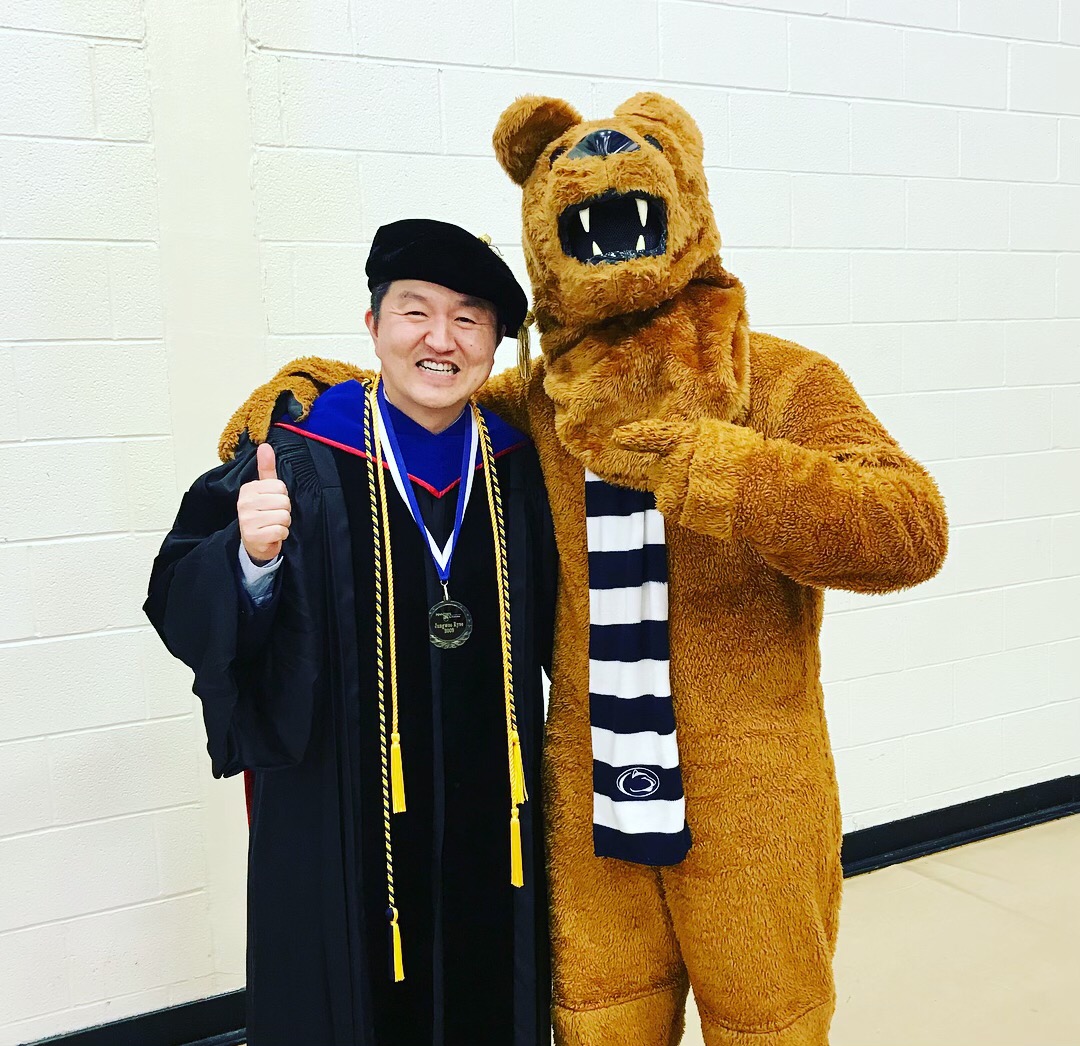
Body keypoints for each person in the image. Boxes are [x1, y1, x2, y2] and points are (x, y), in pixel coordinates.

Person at [144, 219, 556, 1046]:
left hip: (492, 808)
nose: (441, 340)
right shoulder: (297, 454)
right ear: (373, 328)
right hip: (342, 809)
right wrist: (248, 556)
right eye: (415, 313)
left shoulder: (519, 465)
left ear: (494, 343)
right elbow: (178, 597)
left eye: (469, 319)